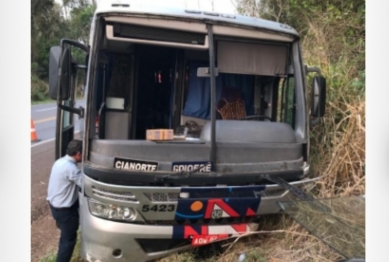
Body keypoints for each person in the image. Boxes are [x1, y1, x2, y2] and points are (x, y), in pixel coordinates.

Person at [46, 140, 83, 262]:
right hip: (65, 211)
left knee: (65, 237)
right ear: (78, 154)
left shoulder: (60, 162)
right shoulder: (71, 168)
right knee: (68, 241)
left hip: (54, 205)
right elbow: (86, 184)